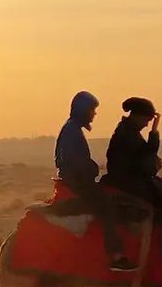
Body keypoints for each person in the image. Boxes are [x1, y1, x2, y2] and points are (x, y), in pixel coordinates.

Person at [105, 97, 162, 265]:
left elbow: (145, 155)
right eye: (146, 119)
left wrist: (154, 133)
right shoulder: (127, 134)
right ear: (138, 116)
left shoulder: (129, 131)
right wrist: (153, 159)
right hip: (126, 180)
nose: (146, 123)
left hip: (130, 177)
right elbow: (143, 159)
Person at [55, 91, 129, 271]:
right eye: (91, 110)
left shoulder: (71, 129)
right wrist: (93, 168)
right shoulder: (72, 131)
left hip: (77, 181)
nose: (94, 114)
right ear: (82, 110)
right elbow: (75, 162)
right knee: (108, 207)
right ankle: (115, 255)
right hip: (77, 184)